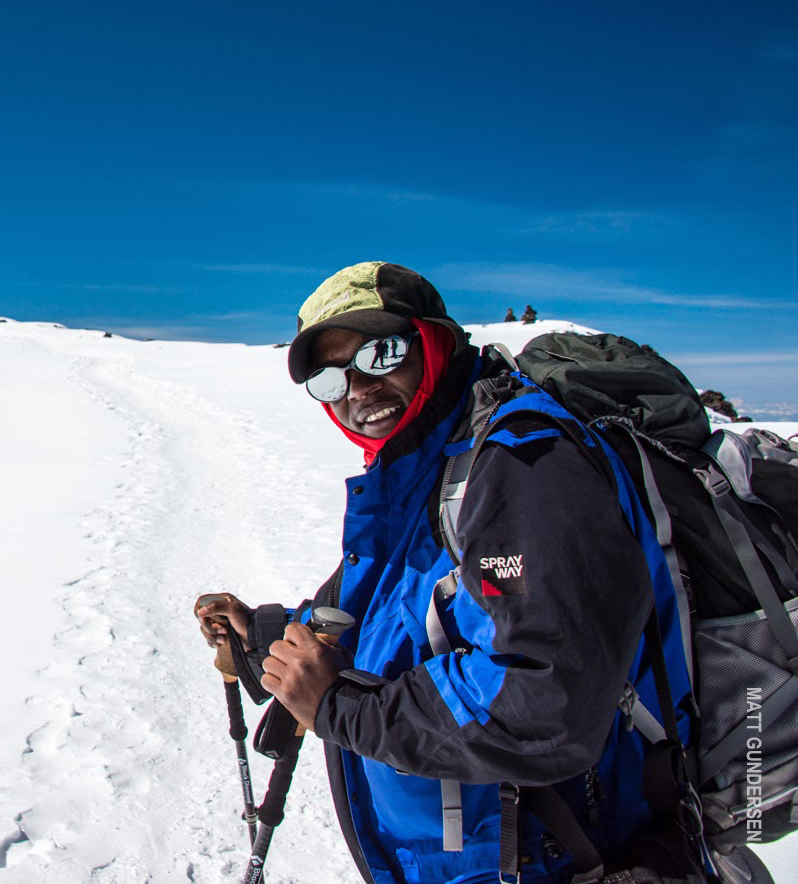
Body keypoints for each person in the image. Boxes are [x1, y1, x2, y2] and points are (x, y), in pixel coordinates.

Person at [195, 262, 698, 884]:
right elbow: (382, 616)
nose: (358, 389)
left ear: (433, 342)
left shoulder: (521, 465)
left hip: (551, 857)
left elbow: (546, 699)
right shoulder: (424, 468)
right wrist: (263, 635)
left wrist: (338, 706)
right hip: (480, 855)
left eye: (379, 354)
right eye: (330, 377)